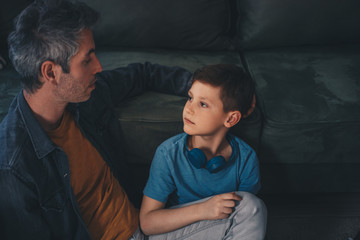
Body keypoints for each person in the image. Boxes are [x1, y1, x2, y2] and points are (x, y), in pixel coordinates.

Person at [0, 0, 192, 239]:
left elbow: (143, 73)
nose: (99, 67)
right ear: (51, 72)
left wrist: (205, 90)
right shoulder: (13, 166)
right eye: (87, 60)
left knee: (245, 207)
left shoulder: (84, 97)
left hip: (147, 223)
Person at [139, 64, 267, 239]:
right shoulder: (168, 153)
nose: (189, 108)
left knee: (250, 205)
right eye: (190, 98)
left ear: (231, 118)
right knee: (251, 207)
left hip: (215, 231)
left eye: (203, 104)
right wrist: (203, 210)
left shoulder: (246, 159)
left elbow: (244, 223)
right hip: (172, 233)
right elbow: (147, 223)